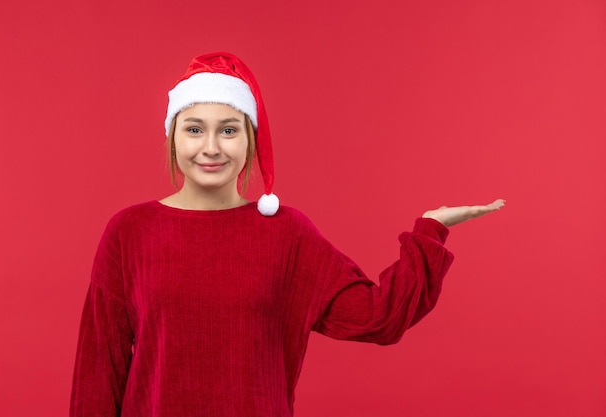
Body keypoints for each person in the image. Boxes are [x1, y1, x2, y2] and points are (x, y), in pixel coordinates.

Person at [69, 52, 505, 417]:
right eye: (195, 129)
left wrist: (431, 229)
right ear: (172, 137)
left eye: (228, 130)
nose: (211, 148)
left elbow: (378, 317)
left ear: (251, 141)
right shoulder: (128, 232)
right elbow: (98, 370)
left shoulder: (285, 234)